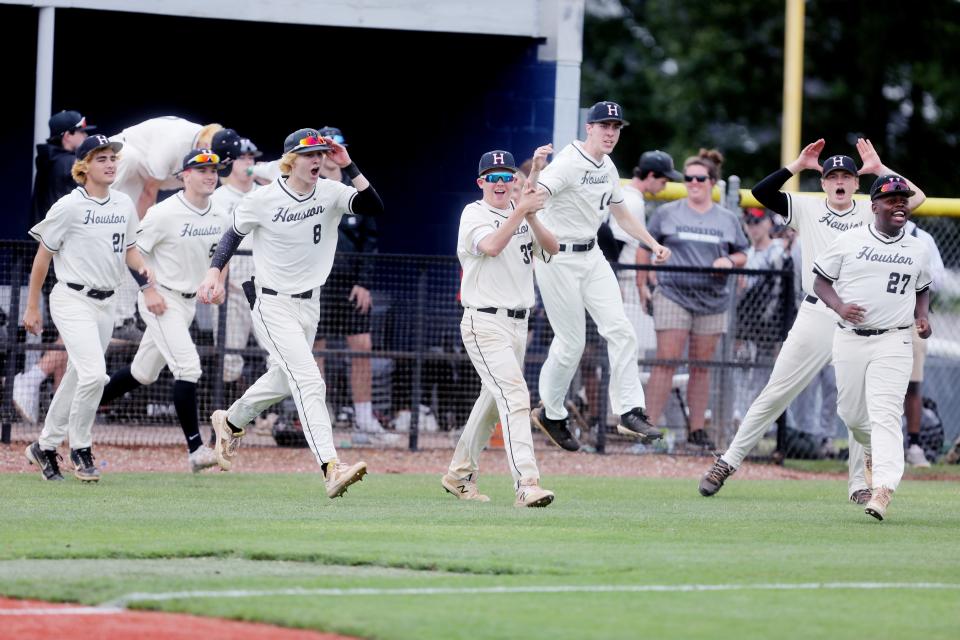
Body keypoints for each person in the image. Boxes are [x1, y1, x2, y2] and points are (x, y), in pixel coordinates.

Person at [698, 138, 926, 501]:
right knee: (777, 390)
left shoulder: (872, 210)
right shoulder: (807, 208)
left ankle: (859, 485)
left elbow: (916, 199)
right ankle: (728, 461)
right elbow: (761, 192)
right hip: (819, 311)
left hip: (859, 319)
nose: (838, 181)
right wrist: (797, 165)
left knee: (859, 406)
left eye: (846, 176)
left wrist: (881, 169)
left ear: (856, 183)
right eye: (831, 175)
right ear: (822, 182)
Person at [197, 128, 383, 498]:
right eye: (309, 154)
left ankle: (231, 420)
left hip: (309, 303)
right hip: (271, 301)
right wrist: (213, 272)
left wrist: (350, 166)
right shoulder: (263, 199)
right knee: (310, 381)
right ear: (290, 160)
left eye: (320, 154)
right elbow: (232, 234)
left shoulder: (331, 191)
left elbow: (373, 206)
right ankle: (331, 467)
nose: (317, 160)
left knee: (284, 379)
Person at [529, 101, 671, 452]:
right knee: (572, 342)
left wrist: (652, 243)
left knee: (622, 331)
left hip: (591, 255)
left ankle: (629, 411)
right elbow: (532, 200)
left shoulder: (607, 165)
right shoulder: (566, 163)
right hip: (557, 256)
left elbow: (621, 215)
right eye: (604, 125)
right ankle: (552, 411)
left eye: (616, 127)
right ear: (588, 128)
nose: (610, 132)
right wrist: (535, 171)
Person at [22, 135, 150, 482]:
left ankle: (44, 446)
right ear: (84, 166)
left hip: (105, 302)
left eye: (112, 158)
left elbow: (130, 249)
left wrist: (146, 272)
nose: (110, 163)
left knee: (80, 375)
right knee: (95, 375)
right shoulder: (69, 206)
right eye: (101, 158)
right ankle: (80, 447)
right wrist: (32, 306)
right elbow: (42, 257)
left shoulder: (124, 203)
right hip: (71, 298)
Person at [97, 150, 229, 473]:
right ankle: (197, 450)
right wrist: (148, 290)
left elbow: (221, 254)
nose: (210, 175)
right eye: (201, 170)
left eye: (213, 170)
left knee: (143, 373)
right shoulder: (164, 213)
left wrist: (219, 282)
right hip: (160, 299)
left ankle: (86, 401)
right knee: (188, 367)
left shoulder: (221, 213)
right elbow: (132, 253)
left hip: (187, 303)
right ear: (184, 175)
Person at [812, 174, 932, 521]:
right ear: (874, 206)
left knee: (885, 413)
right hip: (850, 337)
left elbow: (922, 288)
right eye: (892, 199)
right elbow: (821, 282)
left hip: (895, 339)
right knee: (850, 414)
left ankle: (883, 488)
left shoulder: (917, 247)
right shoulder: (850, 240)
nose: (900, 204)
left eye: (904, 199)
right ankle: (870, 449)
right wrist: (839, 307)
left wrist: (922, 317)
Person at [443, 147, 558, 507]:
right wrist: (521, 210)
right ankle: (527, 483)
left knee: (494, 402)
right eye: (492, 178)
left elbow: (552, 249)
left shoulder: (521, 212)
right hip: (484, 320)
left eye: (506, 177)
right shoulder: (473, 213)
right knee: (515, 396)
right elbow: (491, 246)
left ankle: (459, 474)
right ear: (481, 182)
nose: (500, 183)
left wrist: (532, 215)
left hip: (518, 323)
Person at [639, 150, 749, 449]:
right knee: (666, 361)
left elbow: (742, 251)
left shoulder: (726, 218)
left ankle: (697, 431)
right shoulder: (667, 212)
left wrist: (730, 261)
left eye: (700, 178)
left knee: (702, 366)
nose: (694, 183)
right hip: (674, 293)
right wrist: (642, 283)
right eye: (689, 178)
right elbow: (644, 246)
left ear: (712, 182)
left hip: (713, 299)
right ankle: (647, 429)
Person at [14, 111, 99, 423]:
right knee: (78, 328)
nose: (84, 139)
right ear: (67, 136)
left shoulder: (55, 162)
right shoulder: (65, 165)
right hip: (62, 263)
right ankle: (32, 377)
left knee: (67, 330)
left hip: (57, 261)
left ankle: (59, 415)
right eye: (81, 133)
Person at [310, 126, 384, 435]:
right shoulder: (311, 190)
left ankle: (364, 419)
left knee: (362, 346)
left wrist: (364, 282)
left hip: (350, 285)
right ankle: (318, 416)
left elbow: (370, 241)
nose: (329, 154)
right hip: (317, 284)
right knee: (316, 350)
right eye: (324, 149)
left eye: (335, 147)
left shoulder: (357, 189)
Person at [210, 130, 263, 385]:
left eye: (251, 158)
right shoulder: (217, 197)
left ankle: (273, 417)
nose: (248, 163)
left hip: (265, 287)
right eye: (243, 158)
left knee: (277, 354)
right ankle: (230, 419)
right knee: (229, 358)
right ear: (231, 162)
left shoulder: (267, 193)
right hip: (232, 288)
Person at [734, 207, 790, 427]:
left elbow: (780, 295)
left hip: (769, 326)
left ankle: (759, 423)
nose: (753, 227)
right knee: (740, 373)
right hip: (744, 325)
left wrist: (779, 335)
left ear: (768, 223)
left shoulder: (777, 253)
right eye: (749, 222)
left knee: (765, 377)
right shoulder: (746, 254)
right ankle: (741, 416)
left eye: (757, 222)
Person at [901, 213, 945, 468]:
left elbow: (937, 279)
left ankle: (914, 444)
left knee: (913, 385)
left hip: (911, 318)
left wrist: (916, 271)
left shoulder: (921, 238)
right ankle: (881, 446)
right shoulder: (871, 231)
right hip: (880, 319)